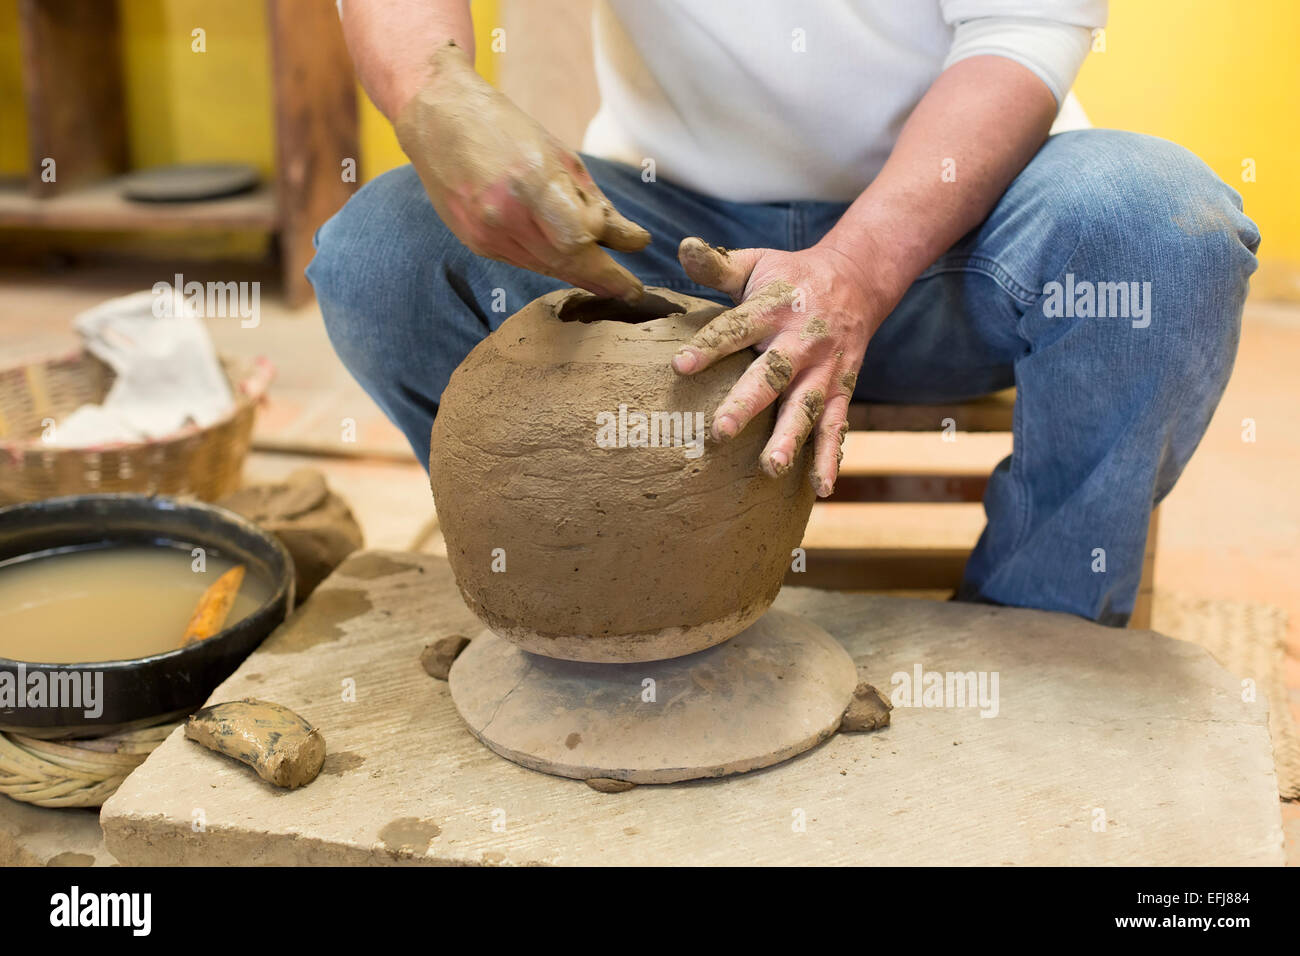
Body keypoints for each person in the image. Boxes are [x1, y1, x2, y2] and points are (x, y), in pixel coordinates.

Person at [308, 0, 1260, 626]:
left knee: (1162, 231)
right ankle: (585, 596)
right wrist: (427, 93)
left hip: (965, 239)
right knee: (384, 257)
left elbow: (1018, 35)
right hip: (668, 243)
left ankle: (1034, 632)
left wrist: (859, 265)